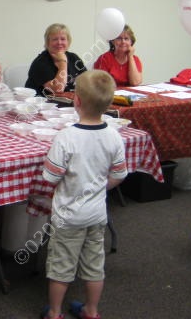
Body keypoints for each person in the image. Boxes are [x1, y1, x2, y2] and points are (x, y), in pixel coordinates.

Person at [41, 70, 127, 319]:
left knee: (61, 267)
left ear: (76, 101)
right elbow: (120, 174)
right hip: (97, 215)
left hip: (67, 217)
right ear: (109, 103)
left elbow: (50, 177)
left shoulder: (66, 137)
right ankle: (91, 310)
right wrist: (101, 187)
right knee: (94, 266)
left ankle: (55, 313)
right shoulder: (113, 135)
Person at [25, 23, 86, 96]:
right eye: (55, 39)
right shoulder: (40, 62)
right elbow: (57, 89)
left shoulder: (74, 58)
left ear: (68, 42)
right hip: (43, 104)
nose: (59, 42)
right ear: (48, 43)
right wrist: (63, 63)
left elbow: (87, 83)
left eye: (63, 39)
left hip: (70, 104)